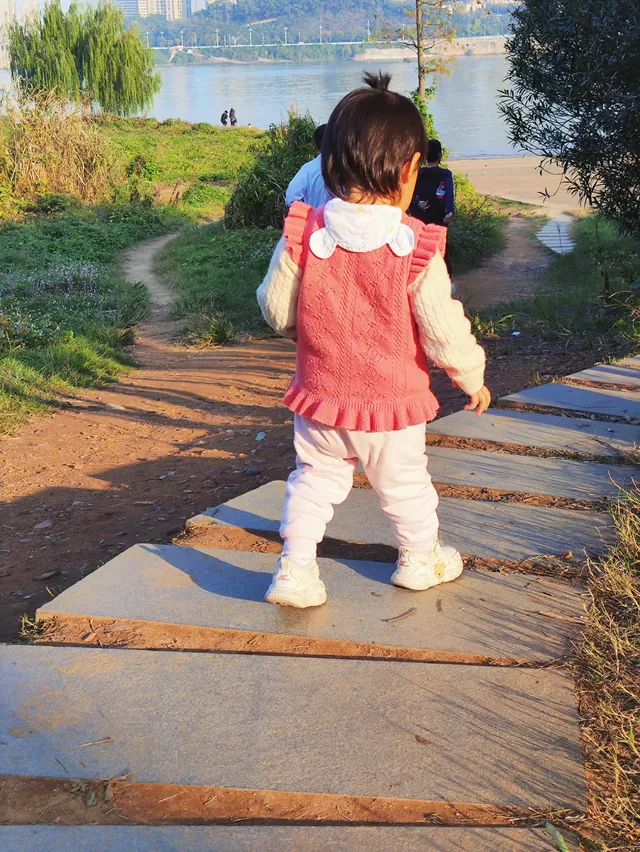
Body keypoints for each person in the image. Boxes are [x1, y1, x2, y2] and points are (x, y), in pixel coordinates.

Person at [256, 72, 490, 609]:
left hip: (321, 397)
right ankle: (418, 559)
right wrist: (470, 376)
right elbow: (441, 327)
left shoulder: (303, 232)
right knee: (405, 485)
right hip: (392, 404)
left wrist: (301, 324)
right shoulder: (416, 246)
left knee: (313, 481)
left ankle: (295, 570)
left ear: (327, 163)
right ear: (412, 171)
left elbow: (275, 309)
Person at [410, 140, 454, 276]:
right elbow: (449, 195)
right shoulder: (445, 174)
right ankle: (445, 279)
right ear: (440, 155)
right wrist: (450, 212)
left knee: (419, 247)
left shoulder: (417, 173)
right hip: (438, 215)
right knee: (440, 248)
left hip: (419, 215)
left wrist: (418, 202)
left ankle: (420, 275)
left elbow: (410, 194)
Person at [285, 123, 331, 210]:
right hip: (340, 222)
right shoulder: (348, 168)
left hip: (314, 222)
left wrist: (309, 214)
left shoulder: (308, 169)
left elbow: (291, 198)